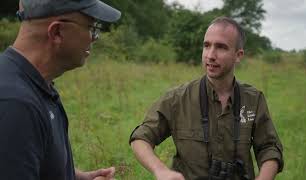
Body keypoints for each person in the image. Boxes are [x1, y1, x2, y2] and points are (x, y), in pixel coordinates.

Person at [129, 17, 284, 180]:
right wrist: (160, 170)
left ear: (238, 55)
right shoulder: (177, 99)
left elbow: (269, 148)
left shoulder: (253, 99)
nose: (210, 55)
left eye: (221, 47)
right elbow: (140, 138)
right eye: (206, 45)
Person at [0, 0, 120, 180]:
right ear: (56, 32)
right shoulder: (16, 104)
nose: (95, 37)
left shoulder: (37, 84)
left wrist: (76, 176)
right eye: (91, 27)